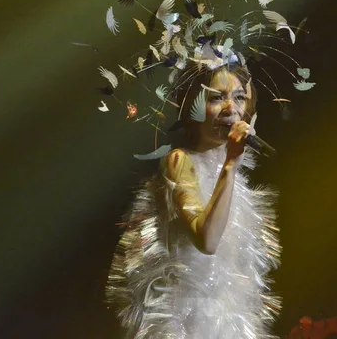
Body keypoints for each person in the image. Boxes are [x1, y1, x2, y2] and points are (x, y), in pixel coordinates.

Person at [106, 63, 282, 338]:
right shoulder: (179, 161)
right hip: (190, 322)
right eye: (216, 97)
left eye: (239, 97)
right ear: (193, 107)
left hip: (228, 322)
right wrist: (231, 164)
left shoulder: (235, 178)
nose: (230, 108)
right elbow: (207, 240)